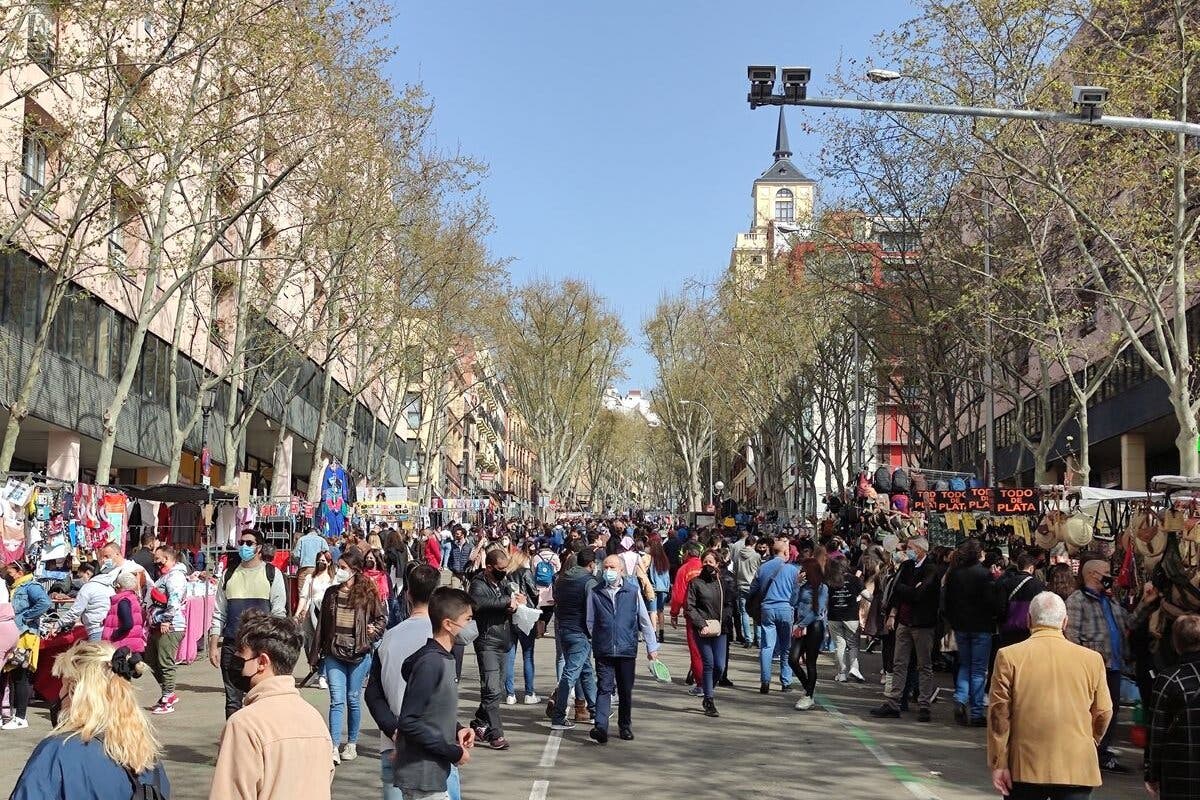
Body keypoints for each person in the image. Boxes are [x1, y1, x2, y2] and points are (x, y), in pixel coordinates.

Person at [988, 592, 1112, 800]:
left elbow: (999, 714)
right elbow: (1103, 711)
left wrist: (999, 762)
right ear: (1065, 622)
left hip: (1024, 765)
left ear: (1029, 620)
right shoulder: (1092, 660)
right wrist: (1091, 740)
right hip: (1076, 764)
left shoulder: (1008, 656)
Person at [8, 641, 170, 798]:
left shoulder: (57, 752)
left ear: (75, 690)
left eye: (62, 685)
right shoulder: (146, 753)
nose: (59, 693)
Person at [208, 610, 333, 800]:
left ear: (262, 662)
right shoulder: (315, 718)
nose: (234, 659)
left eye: (240, 653)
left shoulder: (244, 724)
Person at [367, 565, 463, 800]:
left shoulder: (389, 638)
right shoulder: (447, 639)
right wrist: (457, 728)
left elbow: (373, 693)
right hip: (436, 744)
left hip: (395, 743)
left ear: (408, 594)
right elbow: (446, 694)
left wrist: (393, 729)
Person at [392, 587, 477, 800]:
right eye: (468, 619)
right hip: (422, 776)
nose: (471, 626)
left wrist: (456, 728)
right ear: (448, 624)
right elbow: (409, 721)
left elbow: (433, 710)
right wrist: (454, 752)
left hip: (432, 774)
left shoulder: (442, 659)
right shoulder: (431, 663)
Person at [312, 548, 387, 764]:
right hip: (334, 652)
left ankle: (351, 743)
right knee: (337, 700)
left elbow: (381, 618)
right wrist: (316, 654)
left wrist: (373, 634)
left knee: (353, 699)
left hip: (359, 653)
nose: (339, 571)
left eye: (343, 568)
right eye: (338, 567)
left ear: (354, 570)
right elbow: (322, 627)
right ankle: (334, 746)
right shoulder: (331, 593)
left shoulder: (368, 592)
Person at [209, 529, 288, 717]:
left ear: (259, 547)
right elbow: (219, 612)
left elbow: (278, 612)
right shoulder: (228, 575)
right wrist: (213, 646)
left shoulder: (272, 574)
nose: (244, 546)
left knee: (262, 697)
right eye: (241, 542)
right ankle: (234, 741)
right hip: (232, 645)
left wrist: (275, 645)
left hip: (261, 647)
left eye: (249, 543)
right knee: (232, 700)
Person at [585, 555, 661, 743]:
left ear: (621, 570)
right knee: (604, 687)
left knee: (625, 690)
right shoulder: (595, 592)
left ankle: (624, 725)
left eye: (612, 567)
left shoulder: (632, 592)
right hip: (604, 649)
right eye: (606, 567)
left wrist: (652, 647)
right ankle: (600, 727)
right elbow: (590, 620)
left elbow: (644, 621)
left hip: (626, 649)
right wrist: (600, 637)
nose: (608, 571)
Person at [1065, 559, 1130, 773]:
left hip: (1112, 666)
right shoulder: (1077, 601)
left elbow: (1129, 624)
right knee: (1088, 711)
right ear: (1093, 574)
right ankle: (1085, 752)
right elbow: (1071, 636)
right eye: (1107, 572)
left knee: (1110, 710)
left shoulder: (1110, 601)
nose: (1110, 576)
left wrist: (1147, 603)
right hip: (1091, 669)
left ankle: (1102, 752)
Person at [872, 535, 941, 721]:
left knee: (924, 665)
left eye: (909, 547)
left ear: (919, 549)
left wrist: (905, 589)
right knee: (899, 663)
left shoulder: (931, 569)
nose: (906, 551)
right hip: (903, 621)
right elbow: (896, 591)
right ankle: (894, 702)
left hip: (923, 624)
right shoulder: (907, 566)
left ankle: (924, 704)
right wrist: (893, 613)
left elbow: (920, 594)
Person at [468, 548, 523, 750]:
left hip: (504, 640)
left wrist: (517, 601)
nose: (504, 572)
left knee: (496, 689)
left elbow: (511, 596)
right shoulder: (478, 584)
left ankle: (479, 723)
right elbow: (479, 603)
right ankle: (496, 734)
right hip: (487, 642)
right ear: (489, 567)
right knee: (491, 689)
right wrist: (506, 602)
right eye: (500, 569)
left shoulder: (504, 583)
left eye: (506, 568)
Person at [1145, 613, 1200, 800]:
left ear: (1176, 643)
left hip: (1179, 772)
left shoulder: (1168, 679)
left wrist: (1151, 773)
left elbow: (1156, 732)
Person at [942, 538, 996, 727]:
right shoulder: (985, 575)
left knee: (965, 664)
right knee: (979, 670)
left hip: (961, 626)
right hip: (981, 626)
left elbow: (947, 601)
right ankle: (976, 711)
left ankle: (960, 699)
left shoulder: (955, 574)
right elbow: (991, 602)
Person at [548, 548, 599, 730]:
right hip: (580, 631)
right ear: (592, 564)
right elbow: (593, 610)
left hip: (564, 629)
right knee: (570, 675)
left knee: (586, 670)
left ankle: (595, 710)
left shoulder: (562, 578)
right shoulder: (589, 582)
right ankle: (559, 716)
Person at [1, 559, 51, 730]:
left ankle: (21, 716)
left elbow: (45, 603)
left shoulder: (31, 586)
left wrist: (25, 617)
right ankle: (12, 715)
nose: (9, 574)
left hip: (26, 634)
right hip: (16, 633)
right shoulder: (15, 587)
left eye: (11, 572)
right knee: (13, 674)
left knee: (21, 676)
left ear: (20, 572)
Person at [748, 537, 801, 694]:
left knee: (767, 646)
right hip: (785, 609)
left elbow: (753, 589)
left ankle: (765, 681)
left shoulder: (763, 568)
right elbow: (796, 593)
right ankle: (786, 682)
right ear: (785, 552)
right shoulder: (793, 570)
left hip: (767, 609)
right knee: (786, 646)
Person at [685, 550, 727, 717]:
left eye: (712, 562)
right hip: (702, 629)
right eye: (706, 561)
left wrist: (724, 620)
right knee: (708, 663)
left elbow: (730, 604)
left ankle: (709, 687)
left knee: (720, 666)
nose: (708, 565)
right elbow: (690, 607)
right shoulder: (695, 583)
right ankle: (709, 699)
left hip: (720, 629)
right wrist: (700, 624)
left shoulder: (723, 582)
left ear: (718, 564)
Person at [147, 545, 188, 715]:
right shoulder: (166, 576)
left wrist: (166, 620)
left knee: (165, 663)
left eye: (158, 559)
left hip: (170, 626)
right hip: (158, 625)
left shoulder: (175, 577)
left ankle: (167, 697)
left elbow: (174, 600)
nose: (155, 562)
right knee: (151, 661)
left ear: (168, 558)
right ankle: (168, 693)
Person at [502, 546, 539, 705]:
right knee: (528, 655)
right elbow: (534, 593)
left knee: (510, 655)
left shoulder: (505, 576)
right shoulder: (525, 572)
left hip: (510, 616)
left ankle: (510, 693)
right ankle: (529, 693)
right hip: (525, 616)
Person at [790, 558, 828, 711]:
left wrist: (801, 624)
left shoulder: (822, 588)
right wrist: (796, 585)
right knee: (792, 659)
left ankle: (808, 695)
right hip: (800, 626)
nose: (801, 572)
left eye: (803, 570)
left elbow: (817, 611)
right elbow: (792, 602)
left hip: (814, 627)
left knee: (810, 662)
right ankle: (809, 688)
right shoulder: (803, 586)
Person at [995, 549, 1047, 651]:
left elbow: (1000, 609)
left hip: (1009, 629)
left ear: (1018, 567)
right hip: (1029, 629)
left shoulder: (1006, 583)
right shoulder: (1038, 585)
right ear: (1031, 568)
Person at [295, 551, 336, 679]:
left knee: (324, 642)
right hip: (311, 613)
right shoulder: (310, 578)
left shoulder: (333, 579)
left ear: (329, 563)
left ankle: (322, 674)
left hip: (327, 614)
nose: (321, 563)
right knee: (309, 642)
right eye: (319, 560)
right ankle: (314, 665)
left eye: (324, 561)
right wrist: (297, 614)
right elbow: (303, 597)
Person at [669, 543, 704, 688]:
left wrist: (674, 613)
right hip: (711, 613)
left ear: (687, 553)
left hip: (692, 614)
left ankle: (701, 683)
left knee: (696, 649)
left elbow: (678, 596)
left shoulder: (684, 570)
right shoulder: (705, 566)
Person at [824, 557, 865, 683]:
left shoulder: (829, 581)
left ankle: (842, 673)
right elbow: (867, 595)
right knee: (853, 645)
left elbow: (825, 600)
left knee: (839, 645)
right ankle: (854, 668)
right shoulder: (854, 580)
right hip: (851, 616)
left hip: (834, 616)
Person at [56, 557, 116, 641]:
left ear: (87, 573)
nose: (79, 579)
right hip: (110, 629)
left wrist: (57, 625)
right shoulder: (109, 587)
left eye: (80, 576)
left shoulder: (87, 588)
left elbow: (75, 612)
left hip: (96, 630)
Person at [101, 572, 147, 654]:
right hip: (132, 645)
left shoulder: (123, 601)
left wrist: (114, 634)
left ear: (119, 585)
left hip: (122, 646)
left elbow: (128, 624)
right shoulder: (133, 598)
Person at [734, 534, 763, 648]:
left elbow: (735, 570)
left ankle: (748, 639)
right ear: (754, 544)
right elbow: (759, 571)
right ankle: (758, 638)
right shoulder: (756, 556)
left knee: (744, 613)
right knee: (756, 612)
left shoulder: (738, 555)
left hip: (741, 585)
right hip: (753, 586)